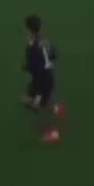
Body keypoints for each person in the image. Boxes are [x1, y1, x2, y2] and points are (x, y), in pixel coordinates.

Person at [22, 14, 62, 143]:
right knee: (30, 100)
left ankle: (53, 133)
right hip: (46, 76)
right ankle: (53, 107)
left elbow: (35, 68)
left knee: (37, 108)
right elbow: (53, 54)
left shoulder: (31, 46)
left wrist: (26, 67)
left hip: (42, 80)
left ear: (29, 29)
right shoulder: (44, 41)